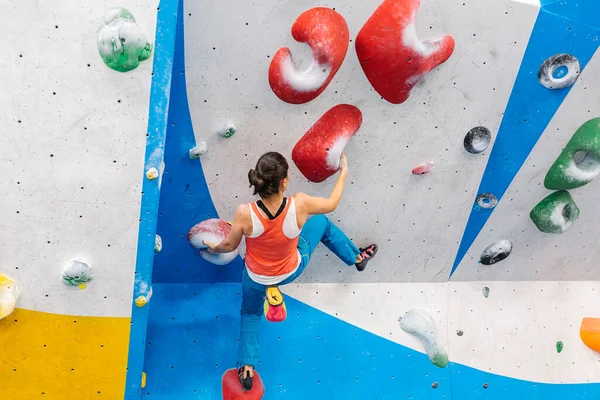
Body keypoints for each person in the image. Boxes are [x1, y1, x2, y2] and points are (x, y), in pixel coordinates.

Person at [203, 151, 378, 390]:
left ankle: (247, 366)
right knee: (322, 223)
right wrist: (344, 170)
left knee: (250, 312)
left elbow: (230, 245)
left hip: (256, 276)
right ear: (284, 182)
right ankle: (356, 257)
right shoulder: (300, 204)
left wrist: (213, 247)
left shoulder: (245, 213)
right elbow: (332, 204)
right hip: (289, 270)